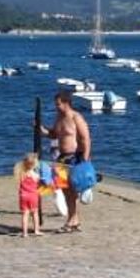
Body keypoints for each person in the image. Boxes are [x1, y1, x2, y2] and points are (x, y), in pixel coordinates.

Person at [38, 91, 91, 232]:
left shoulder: (76, 117)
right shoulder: (59, 118)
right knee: (66, 191)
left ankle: (71, 221)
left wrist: (85, 159)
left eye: (58, 104)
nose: (56, 107)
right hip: (62, 157)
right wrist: (42, 130)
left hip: (75, 157)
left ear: (66, 103)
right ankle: (74, 220)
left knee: (72, 191)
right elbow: (54, 134)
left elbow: (85, 138)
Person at [14, 153, 42, 237]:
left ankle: (24, 232)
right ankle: (36, 230)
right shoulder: (36, 175)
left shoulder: (22, 174)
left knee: (25, 214)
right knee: (35, 213)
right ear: (35, 165)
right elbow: (39, 184)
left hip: (23, 195)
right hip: (33, 196)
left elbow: (19, 184)